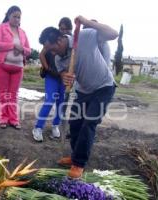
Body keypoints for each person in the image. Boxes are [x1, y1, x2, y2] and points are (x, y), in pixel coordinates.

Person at [39, 16, 118, 178]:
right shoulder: (59, 58)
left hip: (104, 87)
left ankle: (79, 163)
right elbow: (63, 73)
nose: (52, 53)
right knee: (75, 124)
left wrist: (87, 23)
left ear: (60, 40)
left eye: (52, 49)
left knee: (89, 123)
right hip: (83, 91)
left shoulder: (85, 36)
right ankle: (75, 156)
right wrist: (64, 77)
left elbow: (114, 34)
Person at [32, 17, 72, 142]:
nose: (64, 31)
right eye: (61, 28)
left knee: (61, 103)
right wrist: (47, 68)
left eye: (66, 28)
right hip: (52, 76)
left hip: (64, 78)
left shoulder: (72, 44)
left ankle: (55, 125)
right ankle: (38, 127)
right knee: (49, 100)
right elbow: (41, 54)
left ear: (70, 29)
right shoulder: (53, 41)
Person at [0, 6, 31, 129]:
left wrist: (22, 49)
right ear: (8, 16)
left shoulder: (23, 33)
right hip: (1, 65)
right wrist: (13, 45)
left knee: (13, 95)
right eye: (14, 16)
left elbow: (28, 51)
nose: (17, 19)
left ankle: (13, 119)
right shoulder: (1, 28)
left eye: (19, 17)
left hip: (18, 68)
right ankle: (3, 118)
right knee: (3, 93)